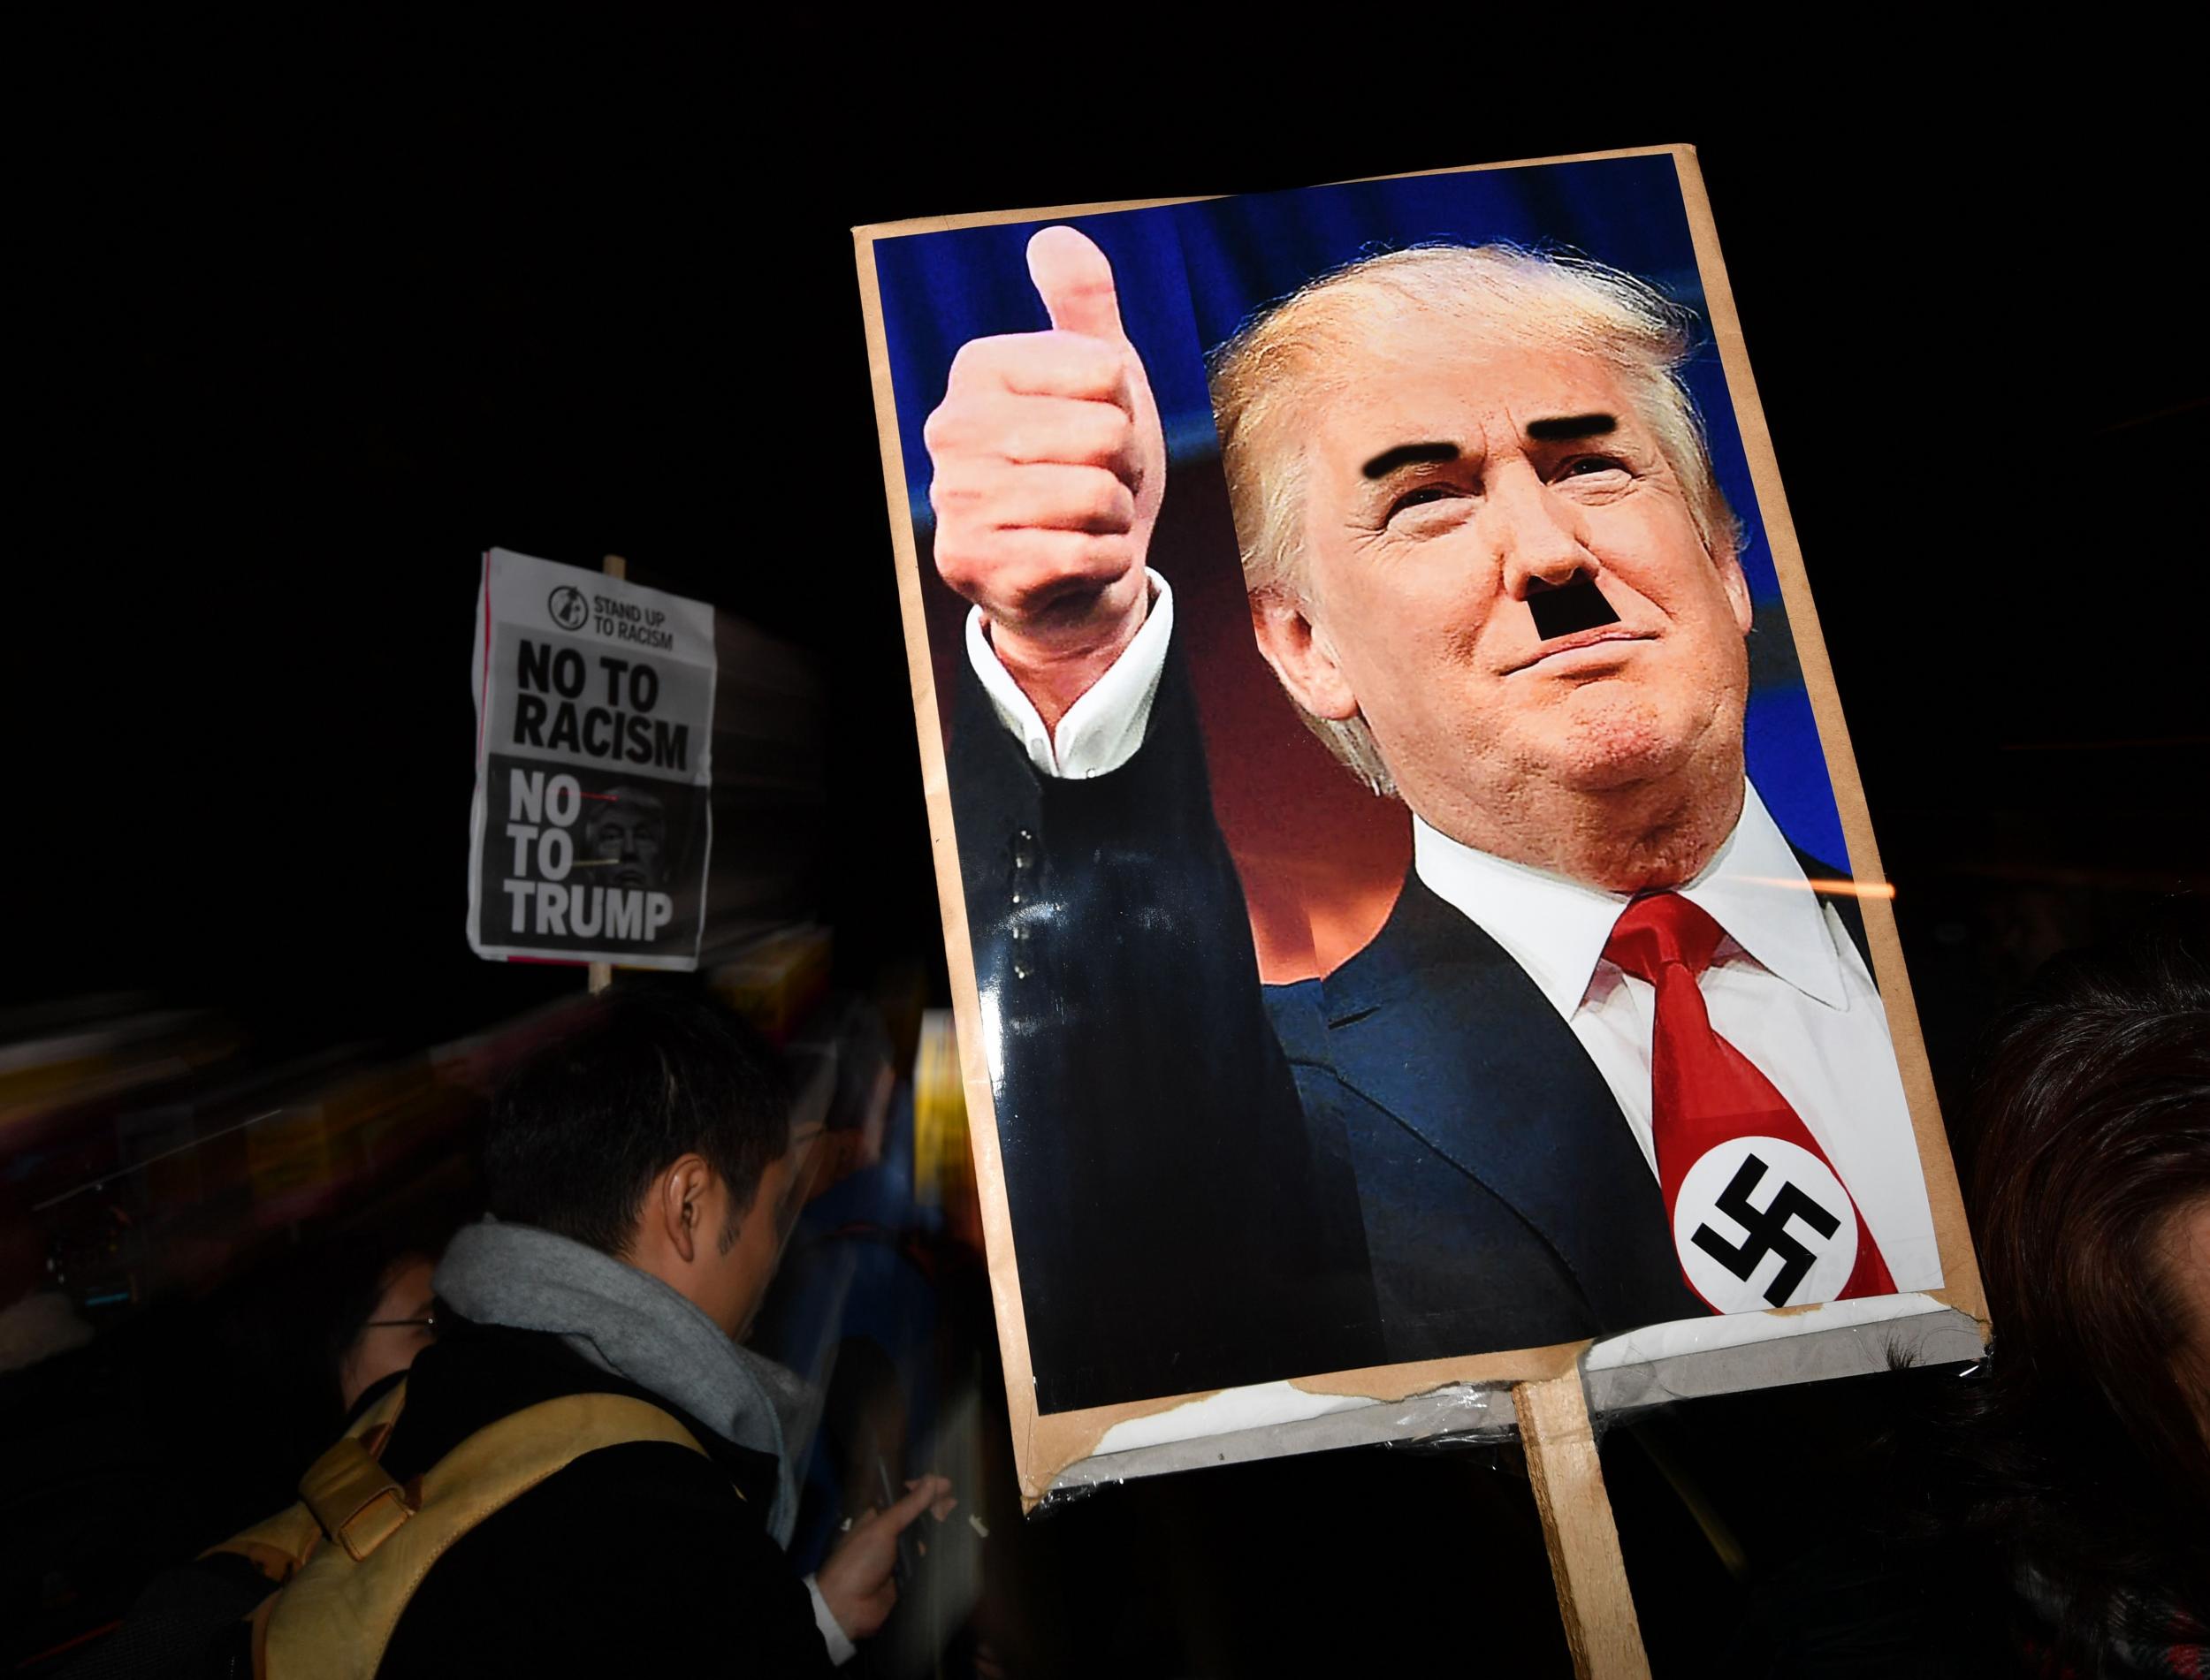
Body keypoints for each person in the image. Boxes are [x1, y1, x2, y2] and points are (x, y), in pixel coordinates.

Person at [924, 225, 1943, 1396]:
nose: (1552, 554)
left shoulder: (2005, 975)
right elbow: (1125, 1183)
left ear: (1723, 560)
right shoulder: (1277, 1118)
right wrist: (1070, 655)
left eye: (1590, 467)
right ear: (1305, 647)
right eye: (1429, 501)